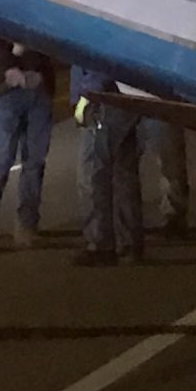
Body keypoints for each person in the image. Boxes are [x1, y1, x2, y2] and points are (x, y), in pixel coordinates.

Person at [0, 40, 54, 251]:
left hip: (38, 85)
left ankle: (27, 225)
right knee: (3, 158)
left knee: (35, 160)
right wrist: (9, 68)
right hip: (9, 89)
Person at [70, 65, 142, 266]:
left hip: (103, 99)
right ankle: (130, 243)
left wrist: (87, 94)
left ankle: (100, 245)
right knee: (124, 174)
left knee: (92, 175)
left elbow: (97, 59)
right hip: (125, 98)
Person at [140, 115, 191, 237]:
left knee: (169, 159)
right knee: (170, 159)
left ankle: (174, 215)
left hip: (157, 106)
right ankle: (124, 227)